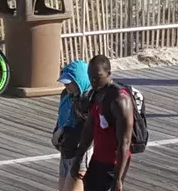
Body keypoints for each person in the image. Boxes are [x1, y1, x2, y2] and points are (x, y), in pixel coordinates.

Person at [73, 55, 134, 191]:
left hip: (113, 164)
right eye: (90, 77)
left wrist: (117, 179)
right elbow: (89, 129)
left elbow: (125, 141)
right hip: (98, 159)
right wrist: (78, 159)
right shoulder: (96, 94)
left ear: (108, 74)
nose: (93, 81)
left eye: (98, 77)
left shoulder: (120, 100)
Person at [54, 60, 93, 191]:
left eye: (68, 83)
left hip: (81, 152)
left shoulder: (89, 100)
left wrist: (64, 131)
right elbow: (62, 116)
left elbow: (87, 129)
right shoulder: (66, 95)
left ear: (79, 81)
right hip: (66, 150)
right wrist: (57, 133)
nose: (66, 86)